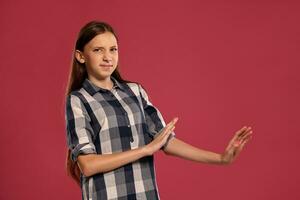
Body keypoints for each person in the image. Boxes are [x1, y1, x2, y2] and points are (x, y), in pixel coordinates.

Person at [64, 20, 253, 200]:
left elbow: (166, 142)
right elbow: (87, 165)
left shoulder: (135, 92)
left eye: (113, 49)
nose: (108, 57)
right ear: (81, 56)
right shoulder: (78, 100)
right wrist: (145, 150)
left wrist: (221, 158)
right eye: (98, 50)